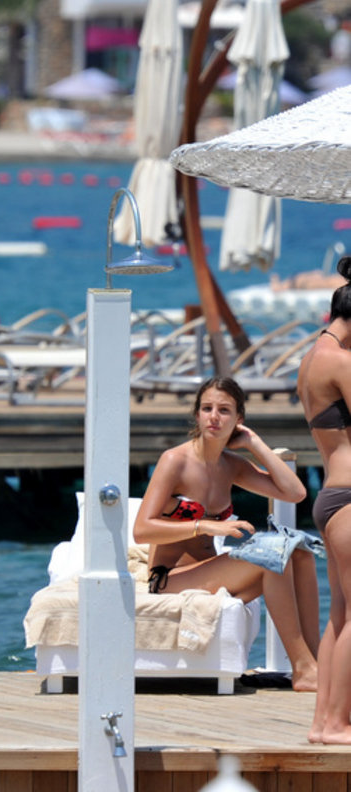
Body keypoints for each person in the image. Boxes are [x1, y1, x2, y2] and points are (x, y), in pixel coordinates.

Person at [133, 376, 320, 692]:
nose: (214, 417)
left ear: (238, 419)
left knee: (299, 554)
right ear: (197, 415)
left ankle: (314, 663)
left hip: (209, 572)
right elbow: (142, 530)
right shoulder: (175, 461)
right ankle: (303, 668)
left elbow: (295, 493)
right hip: (170, 579)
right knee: (269, 560)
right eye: (206, 409)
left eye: (224, 410)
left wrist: (254, 443)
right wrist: (205, 525)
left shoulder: (231, 464)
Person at [298, 254, 351, 742]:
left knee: (341, 615)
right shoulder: (341, 362)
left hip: (332, 494)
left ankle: (323, 723)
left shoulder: (311, 359)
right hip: (350, 499)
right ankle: (338, 722)